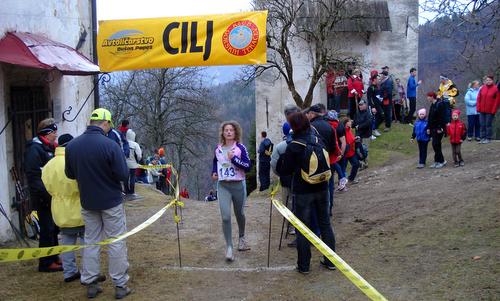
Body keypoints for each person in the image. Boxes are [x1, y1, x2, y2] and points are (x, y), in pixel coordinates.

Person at [65, 108, 132, 299]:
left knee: (91, 242)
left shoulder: (72, 146)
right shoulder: (110, 145)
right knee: (116, 242)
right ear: (105, 123)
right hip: (111, 201)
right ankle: (120, 285)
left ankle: (91, 283)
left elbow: (70, 174)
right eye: (109, 124)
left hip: (88, 202)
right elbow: (122, 174)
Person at [42, 134, 107, 284]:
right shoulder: (75, 161)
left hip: (59, 209)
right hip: (80, 207)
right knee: (87, 242)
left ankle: (69, 272)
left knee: (66, 242)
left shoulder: (49, 165)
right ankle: (89, 272)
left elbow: (46, 186)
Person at [276, 112, 336, 274]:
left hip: (303, 192)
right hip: (323, 187)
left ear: (293, 127)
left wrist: (282, 162)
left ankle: (304, 265)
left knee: (303, 228)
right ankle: (331, 261)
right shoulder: (318, 140)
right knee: (325, 224)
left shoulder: (294, 145)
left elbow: (285, 170)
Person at [24, 118, 62, 272]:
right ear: (47, 133)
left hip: (52, 195)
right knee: (46, 228)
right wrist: (46, 195)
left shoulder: (50, 147)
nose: (56, 134)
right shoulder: (35, 149)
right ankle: (46, 263)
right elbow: (34, 177)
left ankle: (54, 256)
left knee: (54, 228)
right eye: (54, 132)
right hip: (43, 197)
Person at [211, 120, 252, 261]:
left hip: (238, 186)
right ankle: (229, 247)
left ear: (235, 133)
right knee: (226, 217)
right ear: (222, 133)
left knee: (239, 213)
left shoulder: (240, 148)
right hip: (223, 186)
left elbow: (248, 166)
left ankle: (242, 238)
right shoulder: (218, 148)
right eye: (226, 130)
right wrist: (214, 172)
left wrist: (234, 159)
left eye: (231, 130)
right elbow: (215, 162)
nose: (228, 132)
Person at [426, 92, 448, 169]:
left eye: (428, 96)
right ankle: (437, 161)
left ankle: (441, 161)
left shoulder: (439, 104)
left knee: (436, 144)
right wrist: (428, 128)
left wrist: (440, 128)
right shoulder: (432, 105)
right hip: (433, 128)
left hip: (438, 128)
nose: (427, 98)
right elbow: (430, 118)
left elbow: (442, 117)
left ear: (432, 97)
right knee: (436, 145)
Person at [476, 75, 499, 144]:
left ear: (492, 81)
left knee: (488, 124)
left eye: (489, 80)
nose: (488, 81)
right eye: (487, 80)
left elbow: (497, 101)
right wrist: (478, 108)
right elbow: (478, 98)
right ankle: (482, 138)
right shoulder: (482, 88)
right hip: (482, 110)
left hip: (490, 111)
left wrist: (493, 110)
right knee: (482, 124)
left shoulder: (496, 89)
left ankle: (488, 138)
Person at [341, 117, 360, 184]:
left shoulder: (349, 129)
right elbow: (345, 141)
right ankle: (341, 183)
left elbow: (350, 139)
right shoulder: (342, 131)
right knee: (343, 168)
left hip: (351, 151)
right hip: (345, 153)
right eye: (349, 121)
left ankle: (351, 178)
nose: (351, 122)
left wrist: (355, 139)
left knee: (356, 164)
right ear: (346, 123)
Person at [124, 129, 142, 200]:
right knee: (132, 177)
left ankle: (126, 191)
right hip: (133, 164)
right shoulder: (135, 144)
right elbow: (139, 155)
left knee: (125, 178)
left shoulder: (123, 143)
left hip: (124, 163)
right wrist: (138, 160)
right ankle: (132, 192)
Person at [367, 73, 383, 138]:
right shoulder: (370, 88)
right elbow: (369, 98)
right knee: (372, 119)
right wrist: (372, 107)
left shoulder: (377, 86)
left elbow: (377, 95)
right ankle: (370, 134)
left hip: (378, 105)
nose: (379, 80)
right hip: (373, 106)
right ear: (374, 79)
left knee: (381, 116)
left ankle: (374, 129)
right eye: (378, 79)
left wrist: (380, 98)